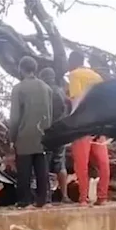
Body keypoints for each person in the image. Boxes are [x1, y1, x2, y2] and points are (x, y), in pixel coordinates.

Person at [67, 51, 110, 206]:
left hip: (82, 125)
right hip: (99, 125)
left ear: (72, 62)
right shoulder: (97, 77)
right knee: (103, 163)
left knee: (81, 163)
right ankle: (103, 197)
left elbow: (76, 100)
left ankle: (83, 199)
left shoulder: (74, 75)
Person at [9, 56, 53, 208]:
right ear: (35, 69)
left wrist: (12, 137)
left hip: (24, 135)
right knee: (42, 168)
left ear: (21, 69)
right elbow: (50, 113)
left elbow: (14, 117)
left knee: (24, 170)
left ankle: (24, 200)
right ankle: (43, 199)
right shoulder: (47, 88)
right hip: (44, 134)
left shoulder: (18, 88)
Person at [37, 67, 72, 204]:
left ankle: (46, 197)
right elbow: (67, 109)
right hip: (61, 132)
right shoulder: (61, 91)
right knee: (60, 164)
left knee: (44, 164)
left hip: (47, 132)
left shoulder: (41, 92)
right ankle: (64, 196)